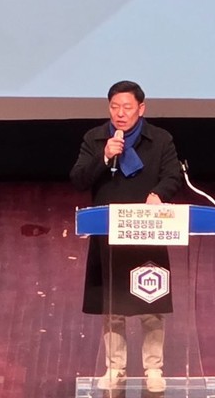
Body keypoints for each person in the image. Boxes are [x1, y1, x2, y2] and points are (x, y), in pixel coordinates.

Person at [70, 80, 183, 393]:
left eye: (127, 108)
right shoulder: (95, 138)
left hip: (146, 231)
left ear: (141, 109)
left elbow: (172, 175)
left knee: (151, 303)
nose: (120, 114)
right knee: (112, 307)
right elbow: (78, 179)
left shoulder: (160, 139)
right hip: (108, 234)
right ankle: (115, 369)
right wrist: (104, 157)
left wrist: (159, 194)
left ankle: (153, 369)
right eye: (115, 107)